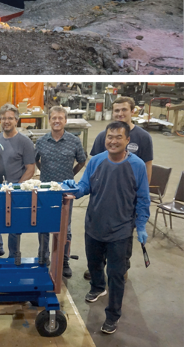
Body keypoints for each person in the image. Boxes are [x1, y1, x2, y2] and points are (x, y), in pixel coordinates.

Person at [69, 121, 148, 335]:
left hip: (120, 230)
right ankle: (96, 287)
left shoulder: (137, 166)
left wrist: (140, 225)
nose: (113, 141)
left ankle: (113, 315)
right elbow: (86, 185)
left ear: (127, 140)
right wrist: (75, 190)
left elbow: (142, 198)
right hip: (94, 225)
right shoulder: (96, 161)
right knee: (94, 263)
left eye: (118, 137)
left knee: (116, 273)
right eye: (109, 137)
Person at [85, 96, 153, 281]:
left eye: (124, 110)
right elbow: (94, 167)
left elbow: (146, 169)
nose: (120, 114)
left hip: (127, 201)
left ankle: (120, 271)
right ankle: (98, 270)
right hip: (104, 198)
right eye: (116, 110)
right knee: (98, 237)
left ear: (132, 111)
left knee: (123, 243)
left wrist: (141, 200)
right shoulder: (103, 136)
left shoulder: (143, 137)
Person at [35, 106, 86, 277]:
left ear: (65, 120)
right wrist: (45, 175)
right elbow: (36, 161)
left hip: (65, 193)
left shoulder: (74, 141)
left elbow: (81, 161)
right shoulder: (41, 142)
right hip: (45, 191)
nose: (57, 121)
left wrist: (70, 176)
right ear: (49, 120)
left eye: (60, 118)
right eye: (54, 118)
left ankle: (64, 260)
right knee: (43, 225)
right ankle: (43, 257)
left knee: (66, 227)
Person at [0, 104, 36, 260]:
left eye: (10, 118)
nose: (6, 121)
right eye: (3, 118)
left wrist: (16, 187)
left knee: (14, 225)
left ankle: (13, 256)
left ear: (17, 120)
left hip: (15, 191)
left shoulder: (25, 142)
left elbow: (30, 169)